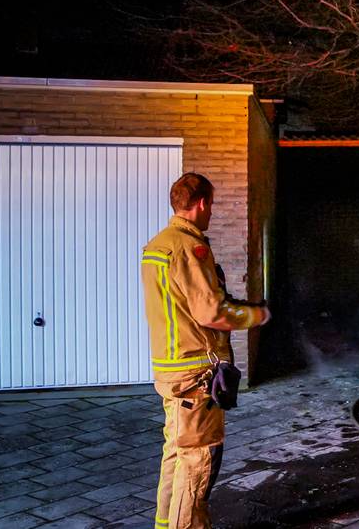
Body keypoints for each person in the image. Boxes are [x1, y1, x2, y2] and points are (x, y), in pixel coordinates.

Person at [141, 173, 270, 529]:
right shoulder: (188, 246)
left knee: (177, 454)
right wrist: (258, 314)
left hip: (172, 370)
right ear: (201, 203)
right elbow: (211, 311)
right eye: (211, 204)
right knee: (199, 459)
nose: (211, 212)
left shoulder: (158, 244)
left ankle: (166, 524)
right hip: (196, 373)